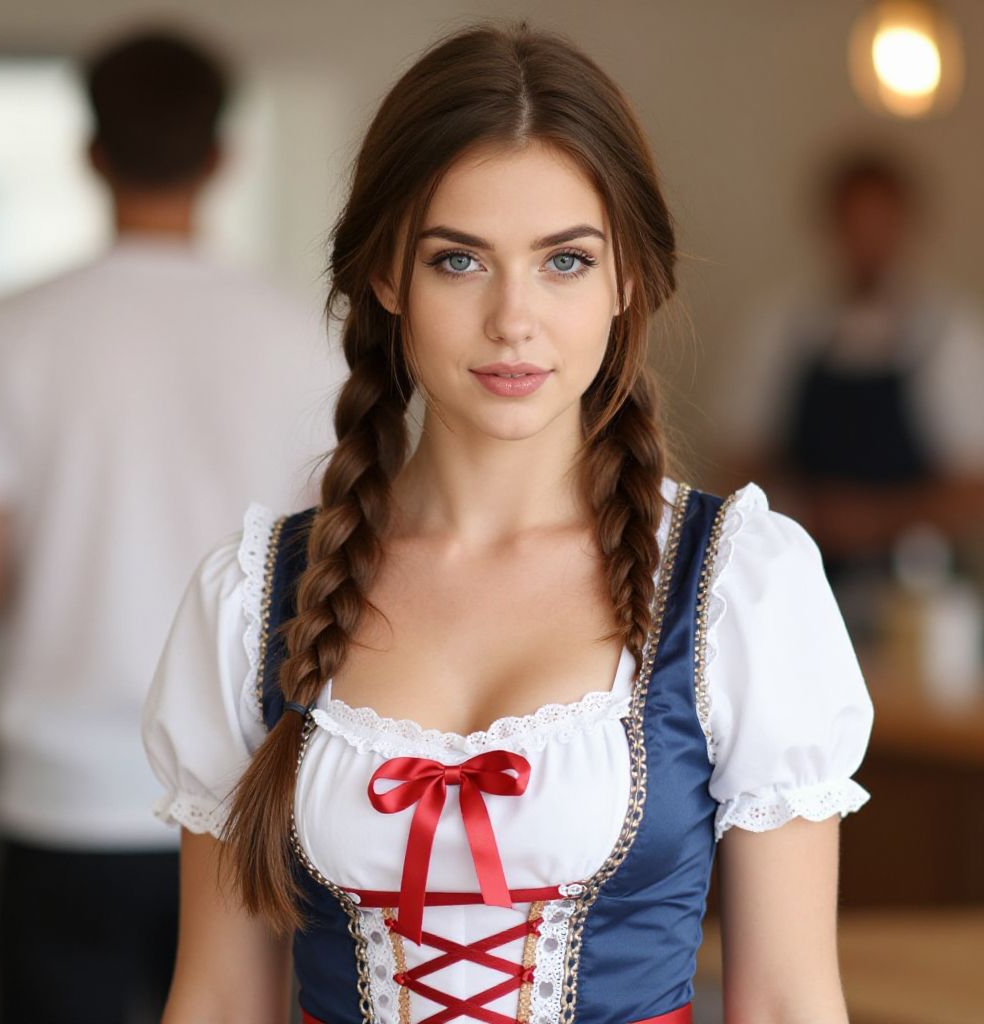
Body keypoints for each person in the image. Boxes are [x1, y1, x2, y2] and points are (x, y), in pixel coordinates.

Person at [143, 24, 874, 1024]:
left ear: (627, 280)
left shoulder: (737, 586)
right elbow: (220, 999)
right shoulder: (252, 596)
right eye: (459, 261)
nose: (514, 319)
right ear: (388, 278)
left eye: (565, 262)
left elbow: (789, 1002)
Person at [0, 28, 343, 1024]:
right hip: (250, 789)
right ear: (225, 156)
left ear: (89, 152)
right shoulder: (303, 335)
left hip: (60, 791)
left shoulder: (14, 327)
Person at [716, 152, 984, 577]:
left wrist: (875, 521)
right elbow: (736, 458)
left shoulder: (948, 332)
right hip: (801, 570)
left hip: (916, 583)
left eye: (880, 225)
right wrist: (796, 509)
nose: (868, 243)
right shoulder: (783, 327)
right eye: (855, 225)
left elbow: (973, 487)